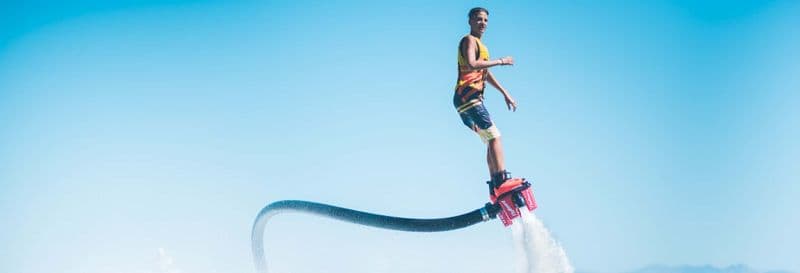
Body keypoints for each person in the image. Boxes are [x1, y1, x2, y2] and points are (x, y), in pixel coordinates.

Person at [453, 7, 518, 197]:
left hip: (465, 100)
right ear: (470, 21)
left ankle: (495, 189)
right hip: (468, 98)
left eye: (485, 20)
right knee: (495, 137)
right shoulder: (469, 41)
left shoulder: (483, 47)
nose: (483, 23)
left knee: (491, 139)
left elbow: (484, 72)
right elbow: (473, 64)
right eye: (478, 19)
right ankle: (502, 181)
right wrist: (501, 61)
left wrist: (504, 92)